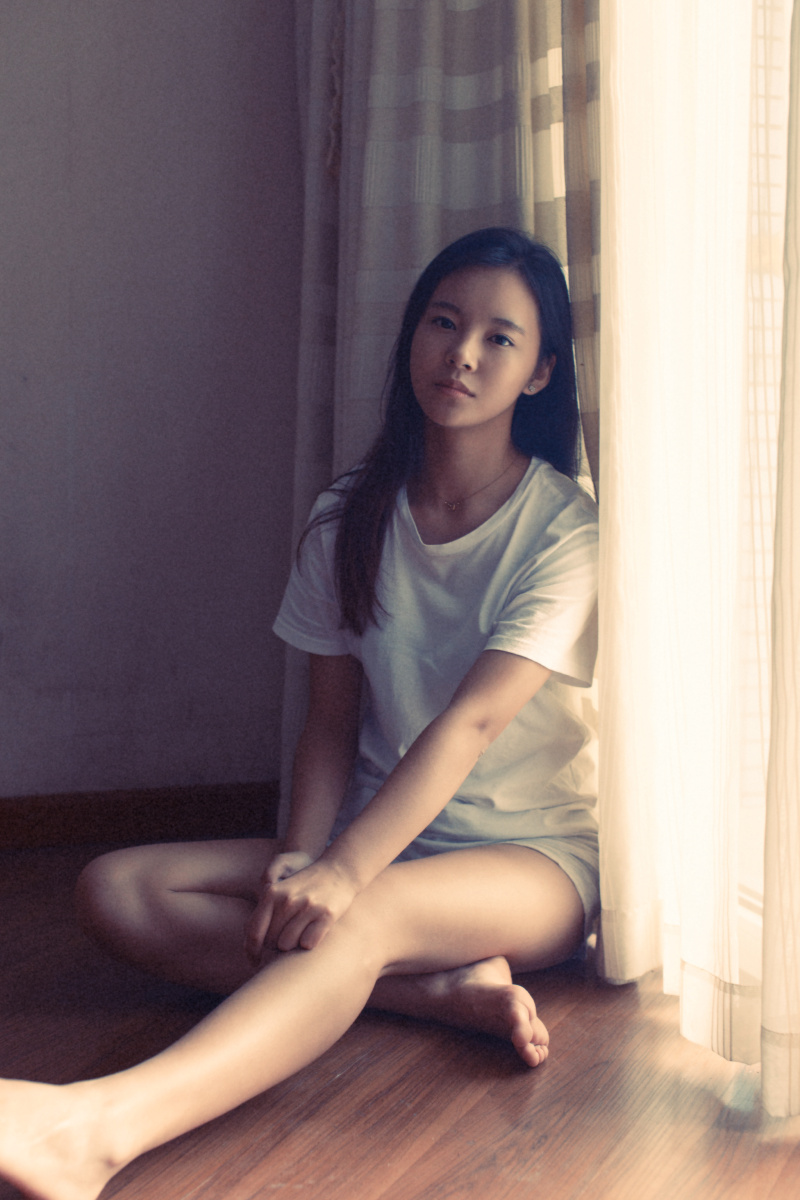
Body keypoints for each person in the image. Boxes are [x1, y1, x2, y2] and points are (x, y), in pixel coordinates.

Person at [0, 227, 599, 1200]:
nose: (461, 354)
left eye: (499, 338)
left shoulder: (563, 529)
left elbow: (470, 726)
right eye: (443, 323)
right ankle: (433, 994)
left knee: (359, 912)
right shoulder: (349, 516)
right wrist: (301, 854)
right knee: (117, 889)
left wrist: (342, 873)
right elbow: (328, 723)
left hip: (528, 856)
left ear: (539, 373)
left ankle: (94, 1130)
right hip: (374, 830)